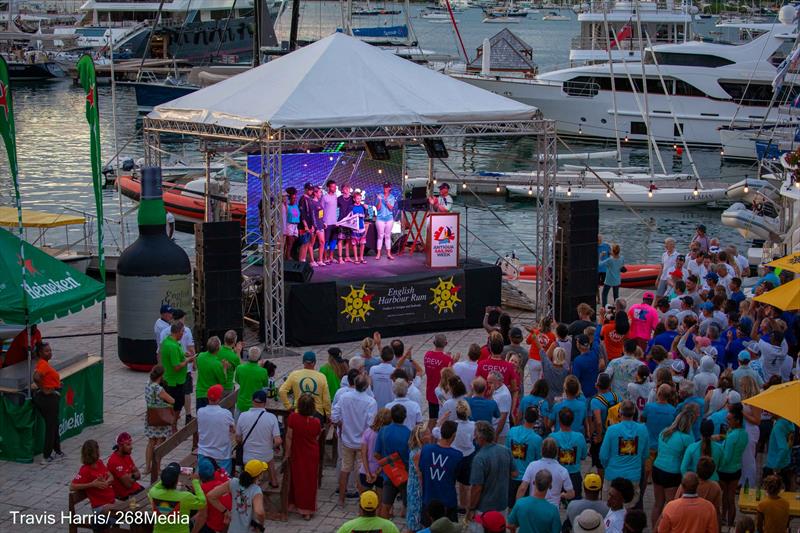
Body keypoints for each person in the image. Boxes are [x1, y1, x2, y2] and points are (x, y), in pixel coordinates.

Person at [331, 374, 377, 506]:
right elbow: (371, 423)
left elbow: (334, 415)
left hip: (347, 438)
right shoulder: (371, 402)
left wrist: (341, 425)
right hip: (362, 441)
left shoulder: (344, 397)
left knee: (345, 468)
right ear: (367, 387)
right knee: (360, 471)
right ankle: (362, 501)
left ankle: (341, 499)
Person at [651, 406, 698, 528]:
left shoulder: (665, 432)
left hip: (657, 468)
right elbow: (692, 454)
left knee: (658, 504)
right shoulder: (687, 438)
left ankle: (654, 529)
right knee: (670, 505)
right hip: (672, 473)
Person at [599, 401, 649, 508]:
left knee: (609, 508)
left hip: (613, 474)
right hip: (633, 476)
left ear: (620, 412)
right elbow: (645, 455)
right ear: (634, 412)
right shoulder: (643, 429)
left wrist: (607, 466)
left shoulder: (612, 430)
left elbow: (603, 455)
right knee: (630, 509)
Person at [467, 421, 515, 521]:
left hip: (484, 509)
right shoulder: (506, 450)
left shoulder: (479, 458)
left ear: (481, 438)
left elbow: (477, 488)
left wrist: (471, 508)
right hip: (502, 505)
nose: (474, 437)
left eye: (475, 433)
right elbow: (514, 473)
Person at [285, 393, 322, 520]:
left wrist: (287, 453)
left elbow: (289, 437)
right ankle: (307, 510)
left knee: (297, 478)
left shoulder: (293, 418)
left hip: (297, 451)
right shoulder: (316, 422)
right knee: (310, 481)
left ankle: (294, 504)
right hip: (312, 454)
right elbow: (316, 437)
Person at [419, 420, 463, 522]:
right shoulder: (457, 455)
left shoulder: (426, 449)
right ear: (454, 435)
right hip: (447, 501)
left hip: (429, 498)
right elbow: (457, 476)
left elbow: (422, 469)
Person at [236, 390, 282, 487]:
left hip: (248, 458)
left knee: (266, 454)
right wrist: (272, 447)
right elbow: (278, 441)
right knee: (269, 457)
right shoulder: (271, 417)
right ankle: (273, 481)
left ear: (252, 401)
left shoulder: (243, 416)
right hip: (265, 457)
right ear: (265, 403)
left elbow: (238, 439)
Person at [206, 459, 267, 533]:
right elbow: (259, 512)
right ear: (259, 475)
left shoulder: (234, 482)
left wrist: (225, 511)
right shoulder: (256, 490)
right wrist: (261, 526)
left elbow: (211, 496)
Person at [148, 462, 206, 533]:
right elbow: (202, 502)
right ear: (177, 480)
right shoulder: (186, 497)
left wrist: (167, 477)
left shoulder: (153, 493)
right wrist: (195, 481)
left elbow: (157, 486)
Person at [376, 404, 412, 518]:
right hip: (405, 474)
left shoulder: (383, 431)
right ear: (405, 417)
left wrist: (387, 464)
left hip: (389, 473)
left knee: (385, 506)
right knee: (408, 506)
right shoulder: (409, 433)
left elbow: (376, 454)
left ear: (391, 416)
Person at [717, 403, 749, 528]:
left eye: (729, 419)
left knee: (725, 497)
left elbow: (726, 458)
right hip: (736, 469)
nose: (727, 420)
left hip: (725, 470)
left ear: (737, 420)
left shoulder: (732, 437)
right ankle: (730, 522)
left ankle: (724, 518)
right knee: (731, 498)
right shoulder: (744, 434)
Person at [517, 436, 574, 506]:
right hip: (552, 507)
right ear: (556, 451)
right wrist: (563, 495)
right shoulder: (562, 470)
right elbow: (571, 494)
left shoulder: (532, 465)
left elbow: (522, 488)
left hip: (534, 506)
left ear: (542, 450)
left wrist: (517, 505)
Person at [31, 341, 63, 464]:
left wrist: (55, 385)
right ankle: (46, 456)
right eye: (47, 351)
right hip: (48, 399)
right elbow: (36, 377)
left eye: (50, 350)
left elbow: (39, 376)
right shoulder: (43, 364)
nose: (50, 353)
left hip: (49, 396)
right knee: (51, 426)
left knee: (54, 424)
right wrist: (44, 389)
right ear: (40, 353)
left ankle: (57, 451)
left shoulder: (42, 363)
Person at [160, 322, 195, 432]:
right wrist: (188, 361)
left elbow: (175, 356)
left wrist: (184, 355)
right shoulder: (172, 346)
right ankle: (173, 424)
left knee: (177, 403)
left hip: (173, 379)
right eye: (182, 331)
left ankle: (171, 424)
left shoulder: (170, 342)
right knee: (176, 404)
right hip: (174, 381)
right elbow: (176, 366)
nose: (183, 333)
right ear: (178, 332)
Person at [279, 351, 331, 420]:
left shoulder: (294, 375)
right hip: (316, 413)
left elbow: (282, 391)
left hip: (299, 411)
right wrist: (328, 413)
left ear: (303, 362)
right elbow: (326, 399)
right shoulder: (321, 377)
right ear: (314, 362)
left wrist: (288, 406)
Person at [507, 406, 543, 502]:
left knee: (511, 508)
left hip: (512, 475)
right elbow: (538, 460)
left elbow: (507, 452)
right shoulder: (537, 439)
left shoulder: (512, 431)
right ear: (536, 420)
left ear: (524, 416)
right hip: (526, 479)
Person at [144, 365, 174, 476]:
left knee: (151, 442)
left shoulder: (147, 384)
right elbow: (172, 400)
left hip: (150, 415)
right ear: (161, 376)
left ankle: (147, 467)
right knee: (160, 443)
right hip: (160, 417)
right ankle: (157, 467)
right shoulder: (158, 389)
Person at [550, 407, 587, 500]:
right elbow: (583, 456)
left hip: (557, 475)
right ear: (572, 420)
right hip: (574, 476)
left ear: (559, 421)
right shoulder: (579, 437)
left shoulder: (552, 437)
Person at [197, 384, 235, 475]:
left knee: (203, 480)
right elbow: (233, 429)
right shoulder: (226, 413)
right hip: (221, 453)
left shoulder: (200, 411)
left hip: (204, 452)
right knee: (223, 481)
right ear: (219, 398)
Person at [70, 440, 116, 512]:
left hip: (111, 502)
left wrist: (106, 482)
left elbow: (111, 476)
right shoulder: (85, 470)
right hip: (100, 507)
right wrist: (92, 484)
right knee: (128, 513)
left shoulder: (99, 462)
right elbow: (72, 487)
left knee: (133, 509)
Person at [676, 456, 722, 525]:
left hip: (685, 521)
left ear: (696, 469)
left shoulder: (688, 483)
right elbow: (717, 512)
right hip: (703, 523)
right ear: (712, 473)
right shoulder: (715, 487)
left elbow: (676, 503)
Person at [424, 334, 455, 427]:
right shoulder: (447, 359)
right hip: (442, 395)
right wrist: (453, 361)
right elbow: (450, 374)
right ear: (446, 343)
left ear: (434, 343)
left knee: (432, 419)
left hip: (430, 392)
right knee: (443, 420)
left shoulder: (427, 355)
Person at [194, 458, 231, 533]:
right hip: (229, 523)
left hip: (216, 527)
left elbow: (202, 516)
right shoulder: (221, 484)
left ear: (199, 475)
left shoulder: (203, 489)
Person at [360, 408, 391, 496]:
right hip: (382, 471)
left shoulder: (368, 432)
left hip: (366, 469)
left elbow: (363, 454)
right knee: (381, 504)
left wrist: (367, 472)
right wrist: (376, 473)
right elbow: (387, 457)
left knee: (364, 502)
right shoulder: (387, 436)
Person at [407, 425, 430, 532]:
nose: (430, 436)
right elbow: (419, 474)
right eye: (427, 434)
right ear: (421, 438)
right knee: (415, 517)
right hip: (416, 488)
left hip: (413, 485)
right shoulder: (418, 453)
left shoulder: (418, 449)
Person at [106, 432, 143, 500]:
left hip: (135, 489)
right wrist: (134, 475)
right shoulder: (115, 461)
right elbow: (128, 485)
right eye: (128, 445)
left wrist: (131, 476)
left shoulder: (126, 455)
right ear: (120, 446)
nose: (131, 447)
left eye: (131, 444)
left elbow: (139, 475)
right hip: (126, 495)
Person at [234, 346, 268, 417]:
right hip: (256, 405)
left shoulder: (239, 368)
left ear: (248, 356)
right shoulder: (263, 371)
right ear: (259, 358)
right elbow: (265, 386)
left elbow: (238, 381)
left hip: (242, 404)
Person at [764, 413, 796, 490]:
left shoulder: (779, 426)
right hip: (785, 462)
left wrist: (776, 466)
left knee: (771, 495)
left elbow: (784, 448)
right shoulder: (790, 424)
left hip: (775, 465)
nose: (769, 412)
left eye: (771, 410)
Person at [195, 336, 226, 411]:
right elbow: (223, 381)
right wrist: (224, 368)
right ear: (218, 349)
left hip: (200, 393)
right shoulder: (217, 364)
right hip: (212, 396)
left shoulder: (200, 356)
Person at [375, 181, 396, 260]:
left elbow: (391, 208)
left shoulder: (392, 197)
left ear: (390, 188)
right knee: (380, 236)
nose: (385, 188)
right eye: (384, 187)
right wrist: (380, 200)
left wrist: (386, 200)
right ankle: (378, 254)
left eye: (387, 187)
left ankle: (388, 254)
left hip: (389, 219)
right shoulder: (379, 196)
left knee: (387, 236)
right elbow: (378, 208)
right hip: (380, 218)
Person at [217, 330, 241, 397]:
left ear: (224, 339)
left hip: (216, 384)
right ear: (234, 342)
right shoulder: (234, 357)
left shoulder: (217, 350)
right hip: (228, 386)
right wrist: (238, 352)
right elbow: (241, 368)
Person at [336, 183, 355, 263]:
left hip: (349, 222)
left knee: (348, 240)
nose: (347, 190)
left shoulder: (352, 198)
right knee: (340, 239)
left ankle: (347, 257)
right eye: (345, 189)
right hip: (341, 221)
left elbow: (357, 204)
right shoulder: (339, 199)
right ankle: (340, 258)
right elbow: (335, 209)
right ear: (342, 190)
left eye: (348, 188)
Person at [322, 179, 340, 264]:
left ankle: (331, 257)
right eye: (332, 187)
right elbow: (321, 210)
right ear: (328, 187)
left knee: (334, 240)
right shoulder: (325, 197)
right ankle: (325, 257)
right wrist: (323, 222)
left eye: (335, 187)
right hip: (327, 223)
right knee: (326, 241)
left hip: (334, 223)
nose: (334, 188)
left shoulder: (336, 197)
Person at [350, 189, 368, 263]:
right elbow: (349, 217)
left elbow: (366, 216)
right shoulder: (351, 207)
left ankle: (361, 257)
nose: (359, 200)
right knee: (354, 243)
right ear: (354, 199)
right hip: (354, 228)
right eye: (357, 198)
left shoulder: (362, 207)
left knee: (362, 243)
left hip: (361, 227)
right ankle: (356, 258)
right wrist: (354, 217)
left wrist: (366, 210)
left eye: (360, 198)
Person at [283, 186, 300, 259]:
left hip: (295, 225)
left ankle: (290, 254)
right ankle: (287, 256)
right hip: (289, 224)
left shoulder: (295, 206)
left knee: (294, 240)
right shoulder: (286, 206)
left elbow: (297, 215)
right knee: (289, 242)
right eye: (293, 198)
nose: (294, 199)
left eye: (295, 198)